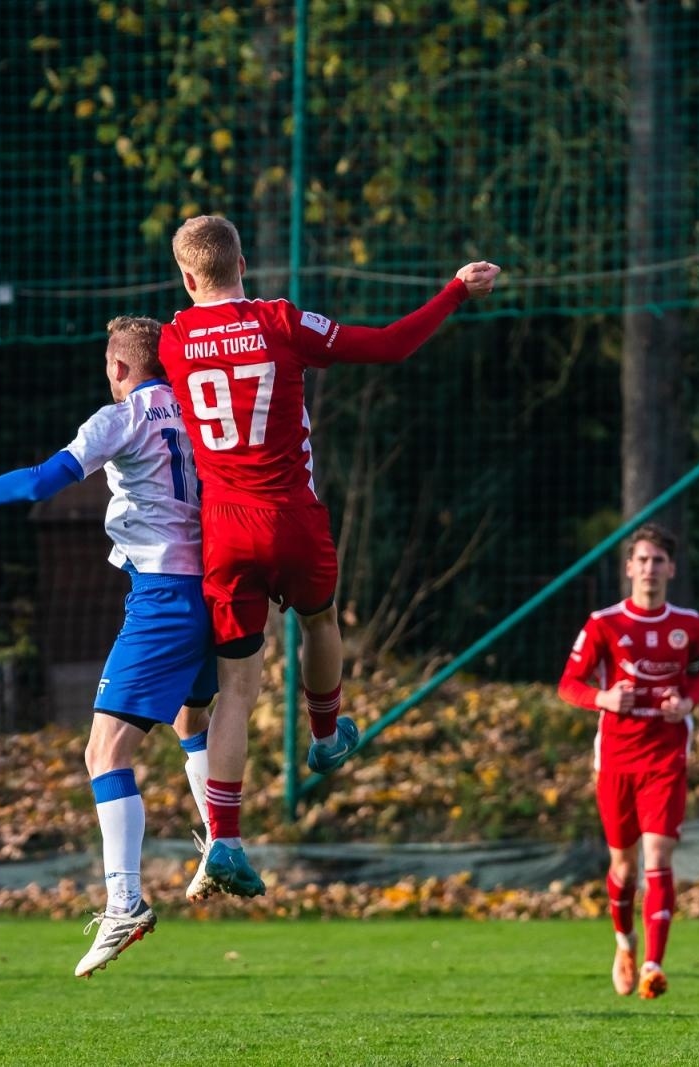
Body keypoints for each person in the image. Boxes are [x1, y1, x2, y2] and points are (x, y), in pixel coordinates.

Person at [156, 214, 500, 895]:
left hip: (225, 531)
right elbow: (389, 344)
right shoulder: (281, 321)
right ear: (244, 263)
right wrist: (454, 291)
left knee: (235, 692)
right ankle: (324, 733)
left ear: (188, 277)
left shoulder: (173, 340)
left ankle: (224, 839)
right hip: (290, 517)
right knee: (318, 620)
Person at [0, 315, 218, 978]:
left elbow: (43, 480)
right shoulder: (198, 412)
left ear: (119, 368)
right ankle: (223, 838)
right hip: (213, 589)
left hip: (163, 595)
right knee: (193, 720)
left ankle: (125, 900)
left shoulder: (121, 416)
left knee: (102, 750)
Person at [557, 522, 699, 1000]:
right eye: (641, 560)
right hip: (617, 758)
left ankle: (652, 966)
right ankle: (624, 944)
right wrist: (603, 699)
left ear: (671, 569)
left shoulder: (689, 625)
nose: (650, 568)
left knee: (658, 856)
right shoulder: (605, 624)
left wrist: (687, 703)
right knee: (622, 867)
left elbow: (698, 678)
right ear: (628, 569)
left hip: (665, 755)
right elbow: (568, 684)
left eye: (658, 561)